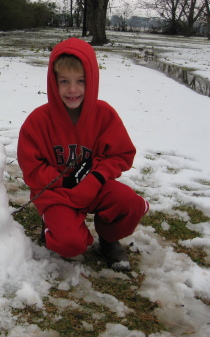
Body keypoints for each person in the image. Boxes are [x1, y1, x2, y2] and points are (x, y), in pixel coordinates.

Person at [17, 38, 149, 272]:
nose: (72, 89)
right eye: (64, 81)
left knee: (129, 203)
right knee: (70, 244)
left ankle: (109, 240)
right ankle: (54, 225)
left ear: (92, 81)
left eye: (80, 81)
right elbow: (32, 168)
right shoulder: (38, 121)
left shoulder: (105, 115)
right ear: (53, 82)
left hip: (94, 188)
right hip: (56, 194)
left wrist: (96, 178)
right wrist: (67, 180)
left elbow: (121, 154)